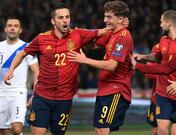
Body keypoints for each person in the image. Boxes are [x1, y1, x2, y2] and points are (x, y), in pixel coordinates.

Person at [3, 2, 111, 135]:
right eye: (61, 18)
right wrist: (11, 70)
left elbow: (103, 31)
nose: (65, 20)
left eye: (67, 17)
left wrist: (119, 24)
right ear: (53, 21)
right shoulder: (41, 39)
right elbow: (22, 54)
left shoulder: (78, 34)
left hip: (64, 99)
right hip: (42, 97)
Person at [68, 1, 133, 135]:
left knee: (102, 129)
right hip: (104, 89)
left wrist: (85, 60)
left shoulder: (123, 37)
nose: (105, 20)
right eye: (105, 16)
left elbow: (112, 65)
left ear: (121, 19)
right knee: (99, 129)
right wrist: (80, 34)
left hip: (116, 90)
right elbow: (93, 45)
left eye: (109, 17)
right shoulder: (111, 34)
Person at [133, 10, 176, 135]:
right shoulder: (163, 40)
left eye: (161, 21)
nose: (160, 25)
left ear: (169, 23)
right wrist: (144, 57)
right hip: (163, 93)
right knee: (161, 129)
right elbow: (158, 56)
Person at [0, 16, 39, 135]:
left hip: (18, 93)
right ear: (5, 29)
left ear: (20, 30)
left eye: (15, 26)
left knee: (16, 128)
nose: (12, 28)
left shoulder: (27, 48)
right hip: (1, 93)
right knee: (1, 130)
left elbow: (37, 72)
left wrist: (35, 94)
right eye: (10, 26)